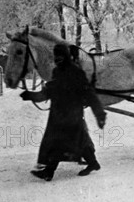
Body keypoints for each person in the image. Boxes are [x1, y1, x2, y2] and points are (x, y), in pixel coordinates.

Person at [20, 44, 106, 181]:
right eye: (56, 56)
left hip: (70, 114)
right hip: (60, 114)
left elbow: (89, 93)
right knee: (80, 140)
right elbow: (51, 90)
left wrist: (100, 114)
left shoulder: (75, 72)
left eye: (60, 55)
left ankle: (49, 171)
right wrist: (32, 95)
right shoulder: (58, 72)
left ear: (66, 56)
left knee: (59, 142)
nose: (57, 59)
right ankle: (93, 163)